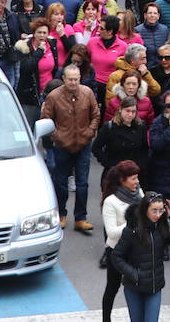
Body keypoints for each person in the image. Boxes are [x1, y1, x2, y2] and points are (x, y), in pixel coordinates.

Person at [42, 64, 101, 233]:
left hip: (83, 144)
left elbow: (96, 115)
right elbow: (46, 120)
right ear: (64, 79)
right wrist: (57, 136)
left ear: (80, 79)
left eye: (76, 79)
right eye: (70, 79)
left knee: (83, 184)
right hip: (62, 145)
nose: (73, 82)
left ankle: (81, 218)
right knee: (60, 183)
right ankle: (61, 214)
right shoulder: (54, 97)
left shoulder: (87, 93)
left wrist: (90, 132)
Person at [112, 191, 170, 322]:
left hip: (154, 288)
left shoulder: (161, 228)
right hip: (134, 288)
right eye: (154, 211)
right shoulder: (132, 230)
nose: (158, 215)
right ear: (145, 210)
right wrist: (134, 274)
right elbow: (116, 256)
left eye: (161, 210)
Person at [102, 160, 144, 321]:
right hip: (117, 251)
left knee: (137, 287)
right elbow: (111, 233)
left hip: (137, 249)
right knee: (112, 287)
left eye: (137, 177)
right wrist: (132, 222)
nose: (137, 181)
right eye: (133, 178)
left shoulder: (139, 193)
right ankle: (106, 318)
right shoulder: (110, 202)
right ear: (122, 180)